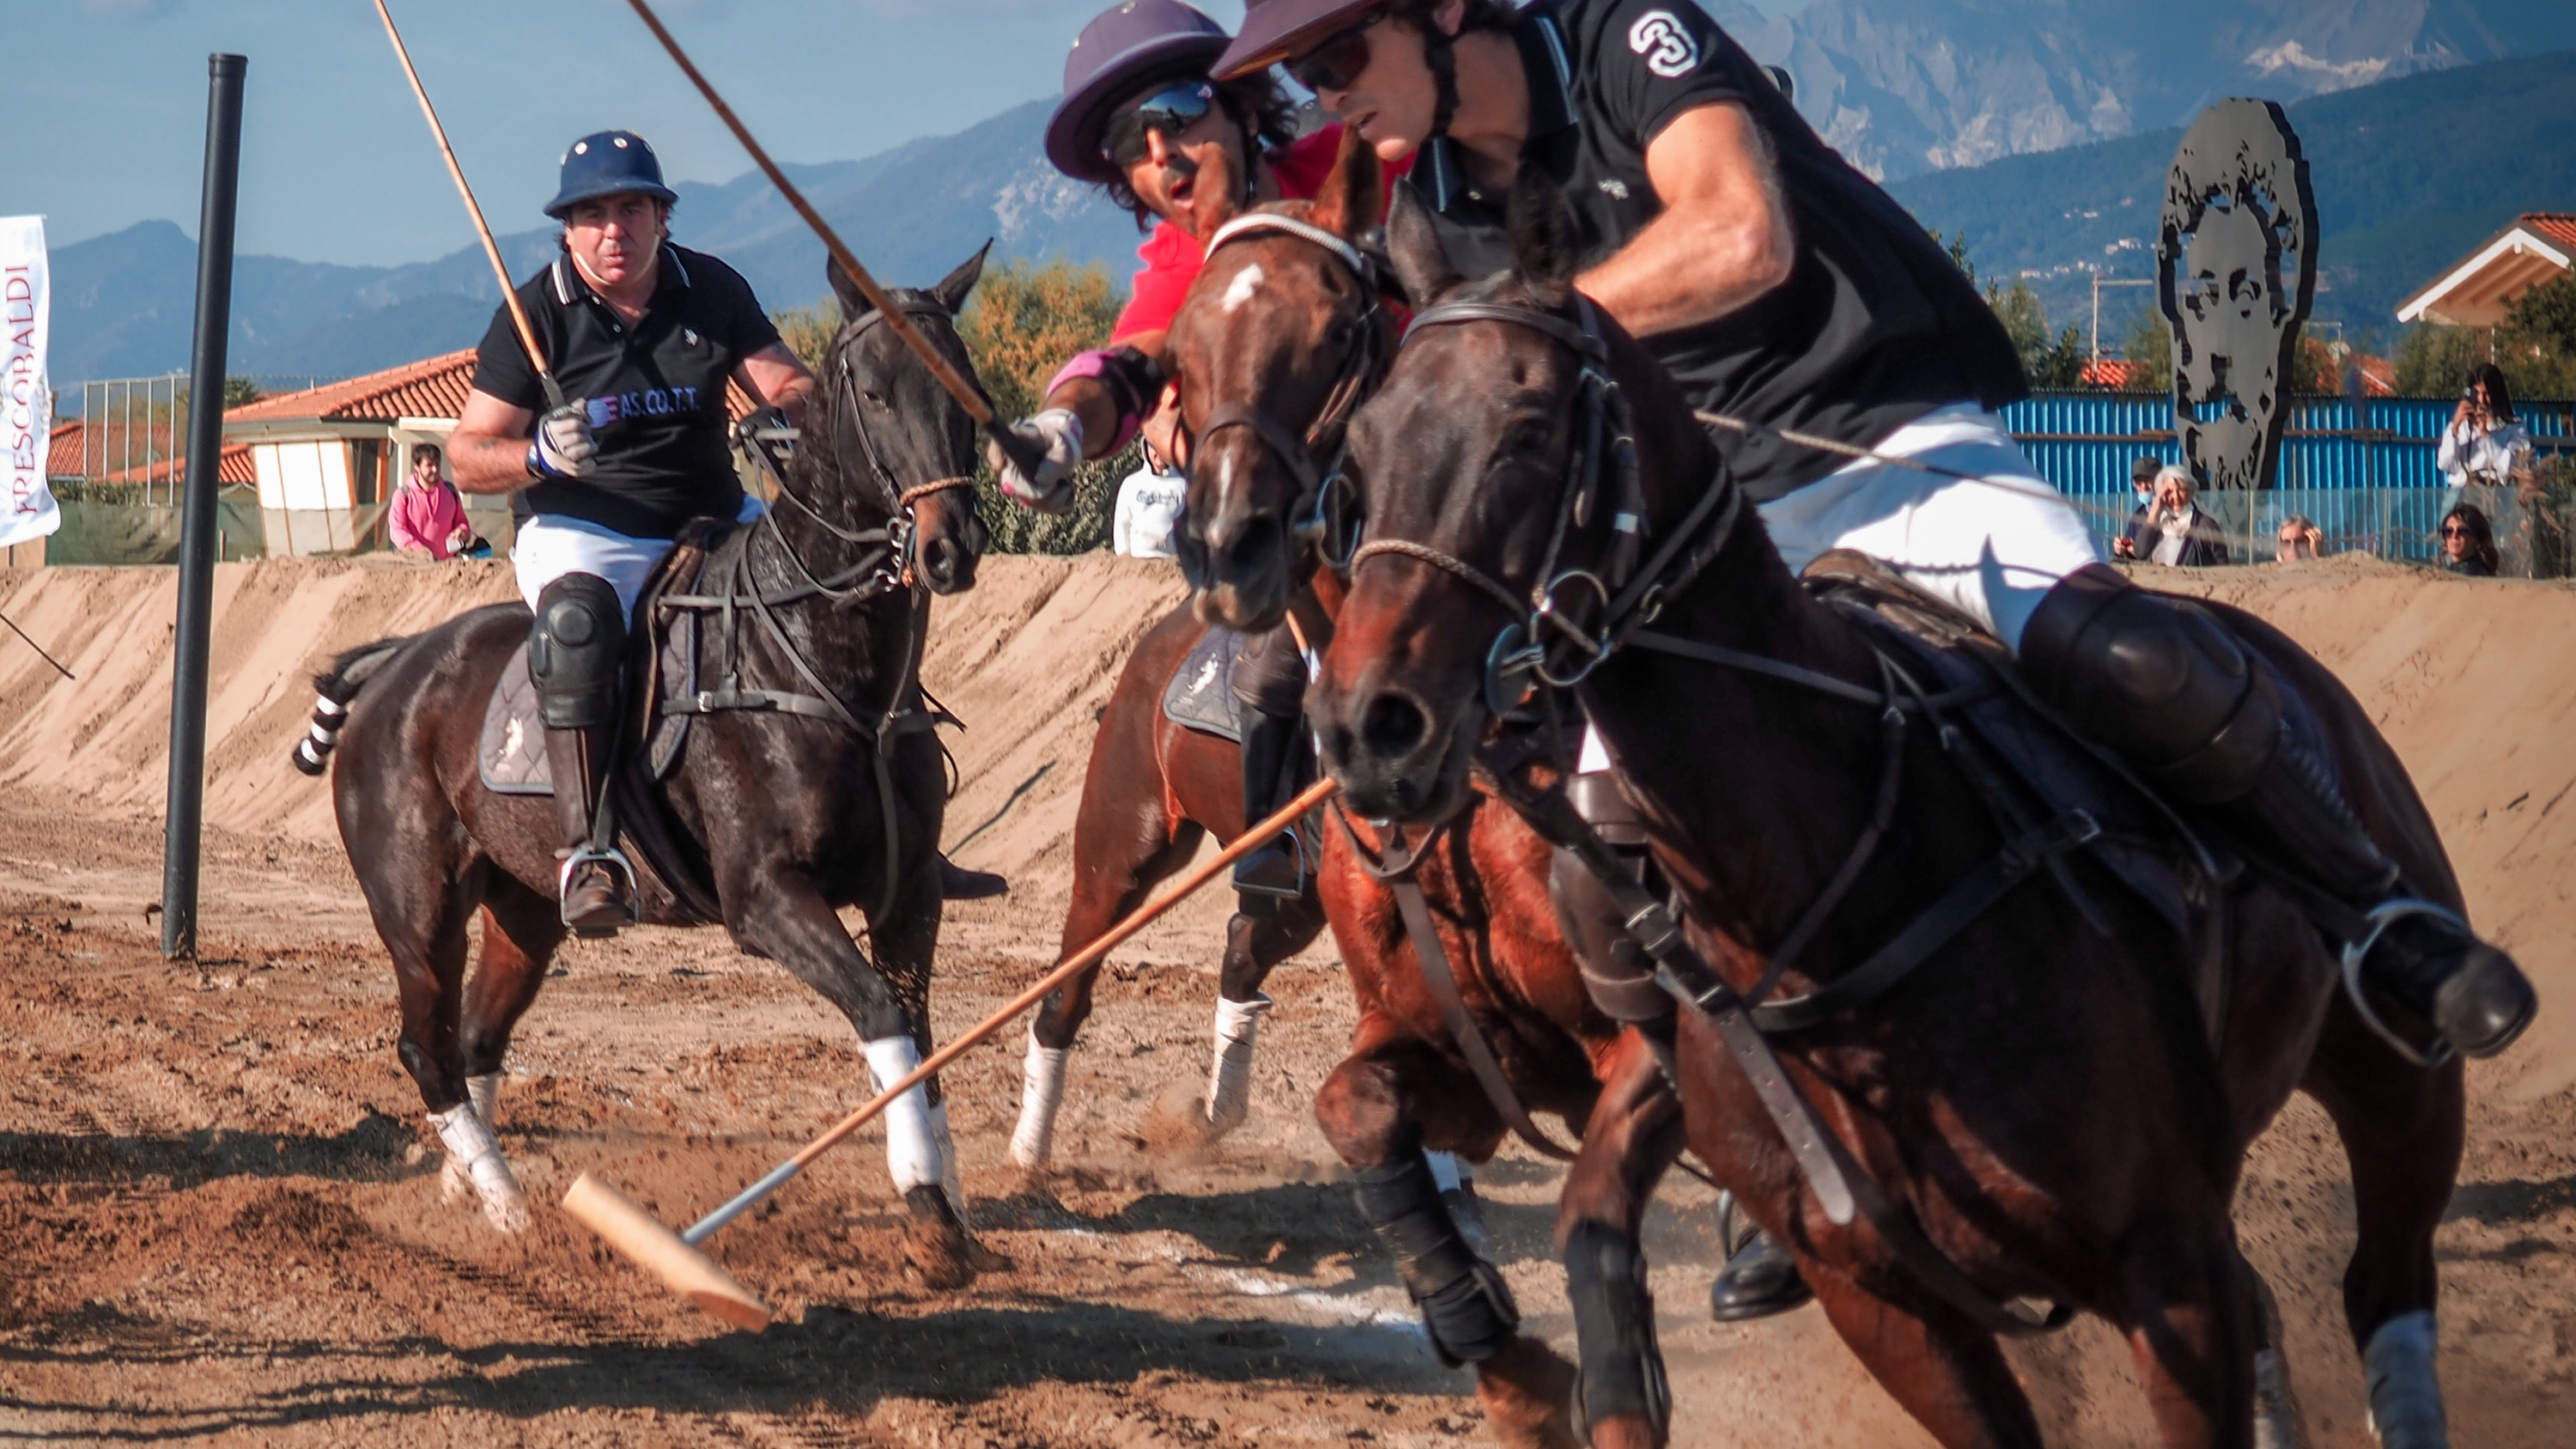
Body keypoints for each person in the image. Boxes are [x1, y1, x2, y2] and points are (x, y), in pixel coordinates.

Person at [1215, 0, 2534, 1331]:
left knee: (2110, 647)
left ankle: (2375, 915)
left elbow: (1742, 229)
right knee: (1602, 844)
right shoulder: (1425, 213)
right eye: (1304, 78)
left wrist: (1542, 325)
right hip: (1699, 531)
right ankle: (1774, 1136)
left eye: (1336, 57)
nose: (1328, 98)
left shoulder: (1631, 41)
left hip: (1876, 443)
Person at [444, 131, 999, 927]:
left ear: (662, 216)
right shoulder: (533, 314)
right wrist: (536, 452)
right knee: (577, 625)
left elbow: (784, 381)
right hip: (587, 528)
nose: (613, 230)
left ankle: (901, 828)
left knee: (842, 586)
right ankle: (589, 850)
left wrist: (834, 406)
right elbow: (466, 457)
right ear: (566, 228)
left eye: (631, 208)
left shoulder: (709, 286)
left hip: (710, 513)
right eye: (592, 213)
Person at [991, 0, 1412, 898]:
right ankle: (1275, 839)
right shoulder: (1186, 262)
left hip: (1470, 476)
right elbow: (1128, 358)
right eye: (1126, 141)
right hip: (1337, 532)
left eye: (1179, 113)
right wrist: (1063, 423)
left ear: (1243, 107)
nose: (1161, 154)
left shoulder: (1367, 154)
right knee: (1267, 644)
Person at [2438, 363, 2533, 492]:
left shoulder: (2515, 427)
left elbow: (2508, 468)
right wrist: (2455, 427)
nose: (2481, 400)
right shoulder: (2461, 426)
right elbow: (2444, 464)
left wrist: (2485, 435)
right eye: (2476, 393)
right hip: (2460, 495)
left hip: (2494, 497)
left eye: (2486, 394)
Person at [2112, 464, 2227, 567]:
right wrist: (2154, 514)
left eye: (2181, 490)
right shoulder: (2155, 520)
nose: (2176, 497)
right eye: (2169, 491)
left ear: (2191, 492)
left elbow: (2222, 566)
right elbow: (2140, 553)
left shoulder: (2206, 525)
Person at [389, 442, 477, 561]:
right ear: (417, 466)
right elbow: (397, 531)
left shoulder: (450, 492)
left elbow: (462, 523)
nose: (435, 469)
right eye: (429, 465)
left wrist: (462, 532)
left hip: (447, 568)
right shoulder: (403, 496)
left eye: (437, 464)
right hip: (414, 565)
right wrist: (419, 550)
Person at [1112, 449, 1189, 557]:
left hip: (1172, 562)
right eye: (1153, 447)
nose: (1159, 453)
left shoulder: (1182, 484)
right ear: (1146, 449)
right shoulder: (1131, 484)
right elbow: (1122, 524)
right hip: (1138, 561)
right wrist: (1124, 557)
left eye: (1160, 446)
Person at [2440, 502, 2500, 576]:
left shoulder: (2474, 572)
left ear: (2476, 537)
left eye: (2463, 531)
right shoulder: (2450, 569)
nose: (2454, 536)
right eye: (2448, 531)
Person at [2120, 454, 2160, 558]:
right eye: (2138, 481)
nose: (2143, 486)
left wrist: (2138, 551)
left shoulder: (2174, 512)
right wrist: (2123, 550)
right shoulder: (2137, 517)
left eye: (2148, 480)